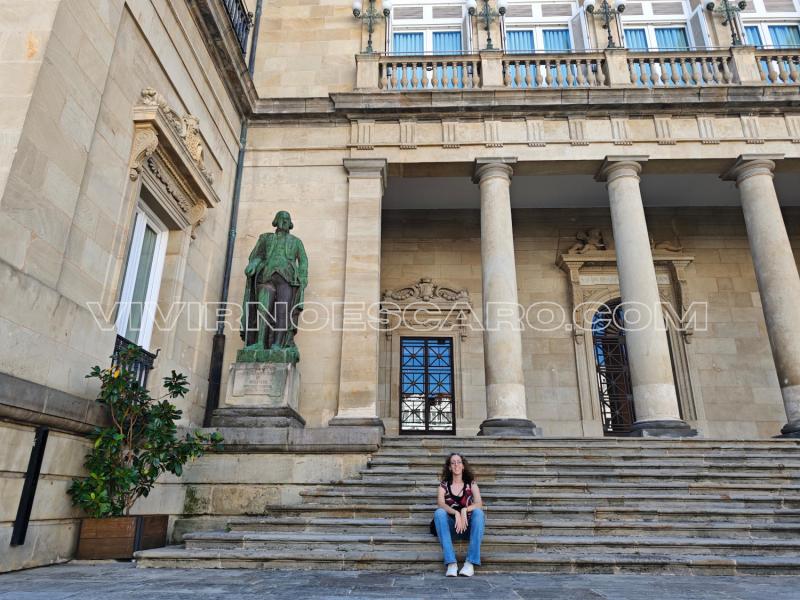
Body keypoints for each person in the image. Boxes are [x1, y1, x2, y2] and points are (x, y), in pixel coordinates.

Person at [432, 452, 485, 577]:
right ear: (449, 467)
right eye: (453, 462)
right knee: (439, 513)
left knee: (478, 513)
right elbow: (441, 503)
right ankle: (451, 563)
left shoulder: (471, 484)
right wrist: (455, 512)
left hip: (468, 527)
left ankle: (470, 563)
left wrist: (464, 510)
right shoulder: (443, 486)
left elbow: (479, 503)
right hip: (451, 529)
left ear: (463, 466)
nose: (456, 465)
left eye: (459, 462)